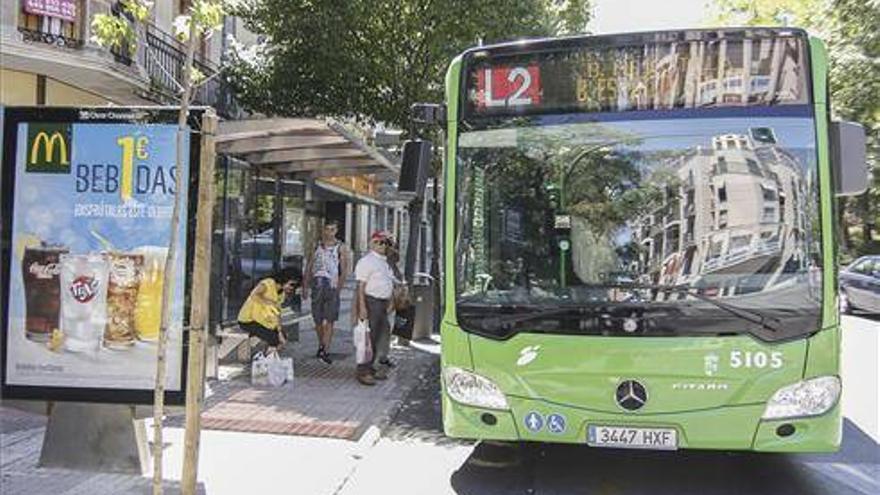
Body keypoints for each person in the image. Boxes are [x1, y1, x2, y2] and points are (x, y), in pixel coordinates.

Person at [303, 220, 350, 364]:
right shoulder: (316, 245)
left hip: (332, 285)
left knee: (329, 319)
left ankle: (325, 349)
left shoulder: (341, 247)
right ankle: (321, 344)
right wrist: (305, 285)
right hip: (317, 284)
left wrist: (339, 287)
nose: (329, 232)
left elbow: (344, 269)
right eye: (327, 229)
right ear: (323, 230)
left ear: (336, 230)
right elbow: (309, 266)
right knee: (317, 318)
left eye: (332, 229)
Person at [354, 231, 396, 385]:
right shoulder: (367, 261)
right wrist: (362, 307)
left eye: (386, 243)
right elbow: (361, 286)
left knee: (381, 336)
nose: (383, 246)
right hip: (371, 302)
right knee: (368, 339)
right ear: (372, 243)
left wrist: (391, 301)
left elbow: (389, 282)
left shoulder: (384, 262)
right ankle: (363, 371)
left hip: (383, 304)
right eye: (379, 242)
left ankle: (373, 367)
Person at [238, 268, 297, 352]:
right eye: (291, 284)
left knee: (283, 337)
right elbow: (254, 295)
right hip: (248, 320)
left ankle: (269, 358)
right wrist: (269, 302)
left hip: (262, 321)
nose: (292, 288)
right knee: (274, 339)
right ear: (285, 279)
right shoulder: (268, 283)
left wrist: (279, 331)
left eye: (295, 286)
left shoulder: (281, 294)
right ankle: (268, 360)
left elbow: (277, 313)